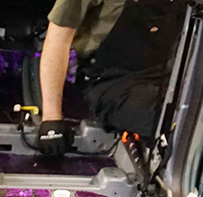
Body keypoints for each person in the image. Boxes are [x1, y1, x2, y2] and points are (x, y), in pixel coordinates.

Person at [36, 0, 187, 156]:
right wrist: (51, 119)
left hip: (167, 75)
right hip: (111, 82)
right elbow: (58, 40)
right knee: (172, 120)